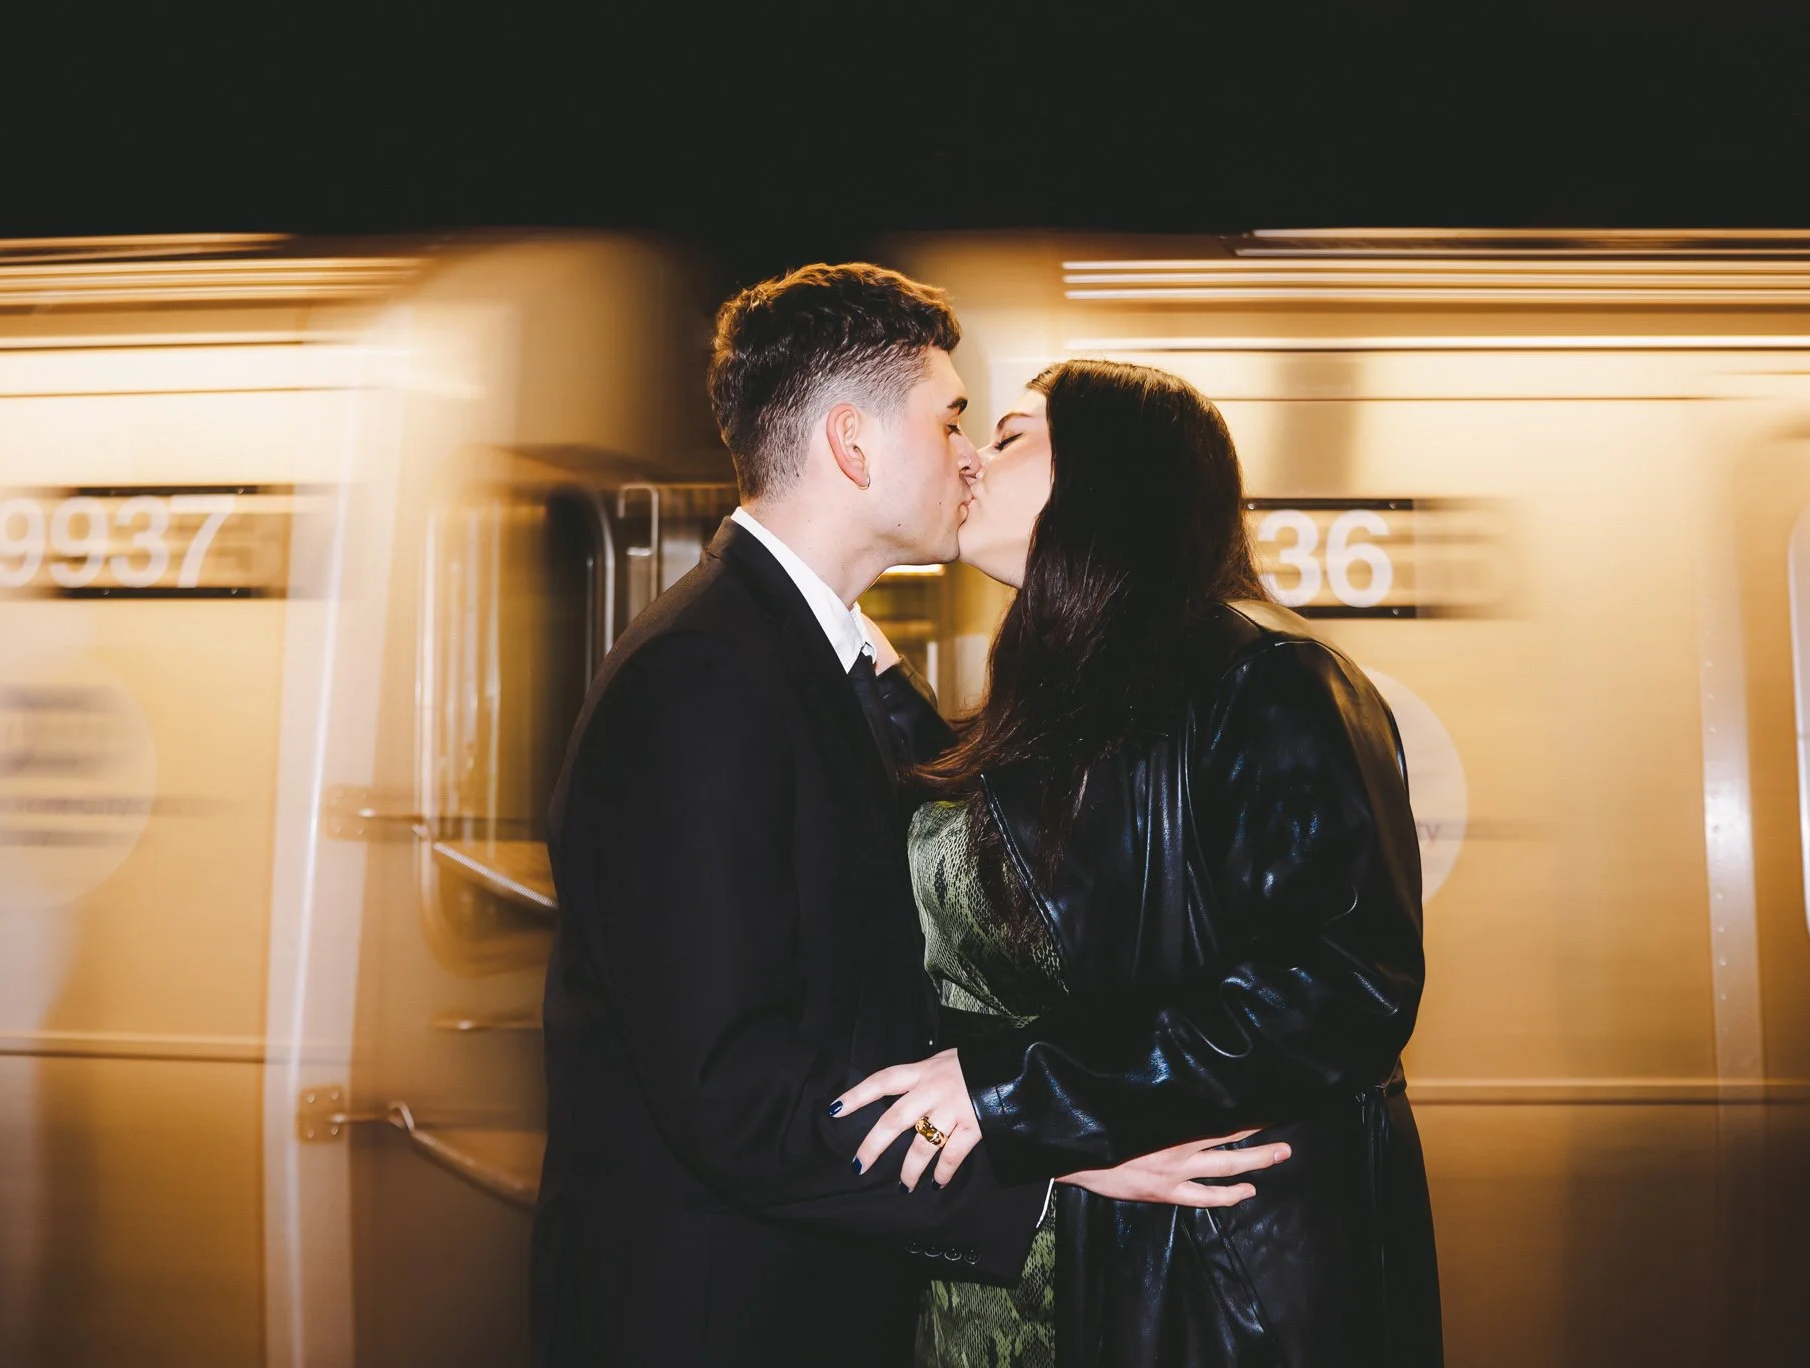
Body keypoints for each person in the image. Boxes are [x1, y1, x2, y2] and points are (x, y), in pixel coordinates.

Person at [531, 270, 1287, 1368]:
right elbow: (730, 1090)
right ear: (852, 446)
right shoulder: (701, 676)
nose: (969, 454)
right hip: (716, 1316)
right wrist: (1046, 1172)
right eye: (949, 419)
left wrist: (1046, 1108)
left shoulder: (823, 661)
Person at [836, 360, 1443, 1367]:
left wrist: (1006, 1095)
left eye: (1011, 434)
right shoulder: (1065, 697)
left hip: (1206, 1288)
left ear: (1107, 476)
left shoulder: (1266, 678)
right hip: (1052, 1271)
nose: (974, 461)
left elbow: (1339, 986)